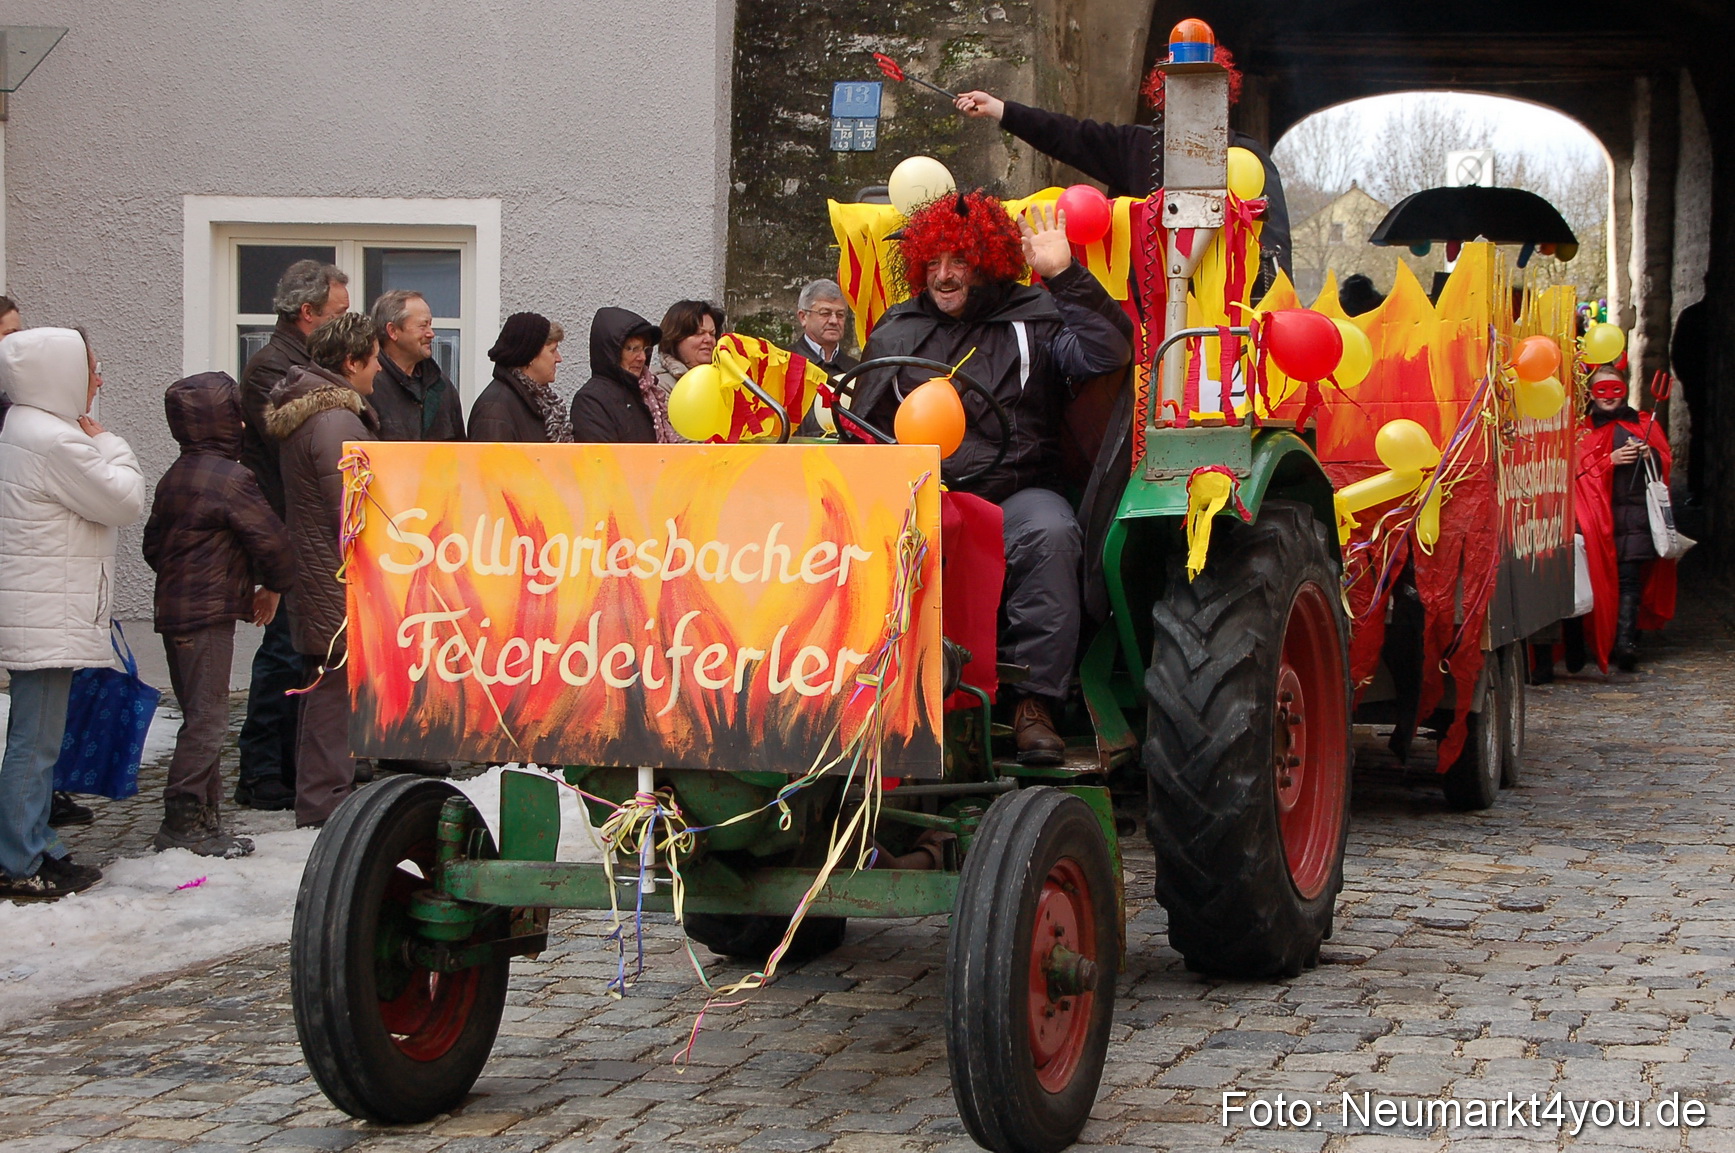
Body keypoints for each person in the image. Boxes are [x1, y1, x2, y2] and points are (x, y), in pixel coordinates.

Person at [849, 192, 1132, 763]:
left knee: (1051, 534)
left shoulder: (1034, 317)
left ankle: (1033, 703)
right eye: (934, 262)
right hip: (923, 492)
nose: (945, 276)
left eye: (959, 260)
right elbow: (863, 426)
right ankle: (872, 692)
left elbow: (1108, 352)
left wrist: (1065, 276)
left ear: (989, 261)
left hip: (1016, 490)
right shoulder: (898, 329)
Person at [953, 46, 1291, 296]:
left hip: (1221, 308)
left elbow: (1272, 241)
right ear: (1162, 91)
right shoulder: (1135, 145)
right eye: (1178, 85)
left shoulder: (1245, 155)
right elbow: (1068, 135)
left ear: (1220, 93)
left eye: (1200, 87)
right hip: (1141, 303)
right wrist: (1001, 109)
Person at [0, 327, 144, 899]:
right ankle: (20, 858)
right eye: (92, 369)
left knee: (36, 739)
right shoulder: (54, 440)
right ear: (61, 373)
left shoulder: (26, 427)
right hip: (45, 610)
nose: (99, 381)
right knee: (35, 744)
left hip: (42, 607)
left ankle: (34, 844)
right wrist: (112, 444)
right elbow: (124, 500)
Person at [142, 372, 294, 856]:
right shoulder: (231, 478)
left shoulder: (176, 475)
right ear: (223, 420)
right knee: (207, 722)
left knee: (198, 716)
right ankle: (184, 822)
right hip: (205, 616)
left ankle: (204, 821)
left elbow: (153, 547)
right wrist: (272, 586)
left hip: (174, 610)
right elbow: (272, 541)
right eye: (235, 415)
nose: (243, 424)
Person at [235, 260, 350, 811]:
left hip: (298, 523)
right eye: (338, 313)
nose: (344, 322)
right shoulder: (272, 367)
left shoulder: (300, 362)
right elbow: (288, 445)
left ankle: (285, 766)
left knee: (300, 651)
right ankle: (261, 770)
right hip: (286, 524)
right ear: (308, 313)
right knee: (284, 650)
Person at [265, 313, 380, 828]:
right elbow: (354, 513)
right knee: (335, 688)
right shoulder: (337, 422)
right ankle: (324, 800)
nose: (379, 370)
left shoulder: (315, 413)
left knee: (324, 684)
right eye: (373, 360)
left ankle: (321, 792)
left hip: (318, 571)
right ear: (351, 362)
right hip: (337, 575)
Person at [1575, 367, 1677, 673]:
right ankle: (1599, 641)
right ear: (1590, 394)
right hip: (1599, 520)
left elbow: (1664, 461)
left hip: (1635, 517)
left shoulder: (1644, 424)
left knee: (1630, 579)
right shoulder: (1582, 431)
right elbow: (1577, 473)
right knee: (1598, 581)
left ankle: (1625, 643)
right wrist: (1609, 461)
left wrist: (1650, 455)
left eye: (1615, 389)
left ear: (1625, 391)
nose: (1608, 397)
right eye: (1601, 390)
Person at [368, 290, 465, 443]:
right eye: (422, 326)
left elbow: (460, 449)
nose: (431, 333)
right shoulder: (369, 386)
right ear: (392, 331)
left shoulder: (441, 387)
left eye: (430, 325)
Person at [569, 307, 671, 443]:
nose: (642, 357)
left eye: (644, 349)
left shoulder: (648, 394)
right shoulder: (591, 401)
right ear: (611, 352)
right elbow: (599, 455)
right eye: (632, 349)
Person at [469, 313, 572, 443]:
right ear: (531, 356)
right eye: (552, 351)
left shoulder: (540, 402)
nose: (559, 359)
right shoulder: (494, 412)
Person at [651, 299, 724, 401]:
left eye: (712, 334)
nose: (708, 340)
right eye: (699, 333)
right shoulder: (657, 385)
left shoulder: (726, 380)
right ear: (676, 338)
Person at [790, 280, 858, 377]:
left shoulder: (856, 371)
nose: (834, 321)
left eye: (840, 315)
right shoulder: (785, 364)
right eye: (825, 313)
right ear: (803, 317)